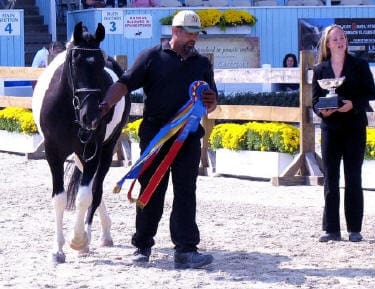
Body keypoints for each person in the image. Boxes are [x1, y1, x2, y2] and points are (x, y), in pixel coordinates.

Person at [99, 10, 217, 269]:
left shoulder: (202, 64)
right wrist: (106, 103)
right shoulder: (152, 57)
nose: (194, 39)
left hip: (188, 139)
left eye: (196, 34)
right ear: (175, 31)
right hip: (156, 137)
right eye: (189, 33)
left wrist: (211, 102)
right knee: (151, 190)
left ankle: (186, 250)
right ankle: (142, 246)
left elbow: (211, 100)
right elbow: (125, 83)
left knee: (186, 193)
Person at [312, 24, 375, 243]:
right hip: (331, 129)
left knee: (353, 177)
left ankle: (354, 228)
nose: (340, 41)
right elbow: (314, 101)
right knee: (331, 178)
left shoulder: (359, 65)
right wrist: (323, 111)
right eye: (335, 39)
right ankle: (331, 229)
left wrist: (353, 105)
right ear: (328, 44)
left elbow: (370, 92)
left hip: (354, 128)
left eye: (342, 37)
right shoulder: (320, 70)